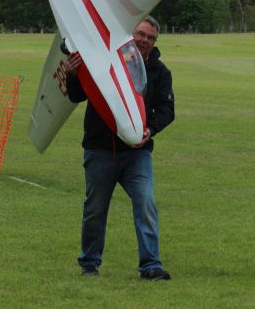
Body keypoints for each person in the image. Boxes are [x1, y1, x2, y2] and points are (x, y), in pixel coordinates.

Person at [65, 16, 175, 280]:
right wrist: (72, 73)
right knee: (95, 208)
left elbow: (166, 110)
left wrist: (150, 130)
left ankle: (151, 265)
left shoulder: (160, 72)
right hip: (100, 148)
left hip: (137, 153)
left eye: (150, 38)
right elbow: (77, 95)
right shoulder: (104, 60)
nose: (144, 40)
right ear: (129, 34)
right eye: (140, 34)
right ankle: (89, 264)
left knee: (146, 202)